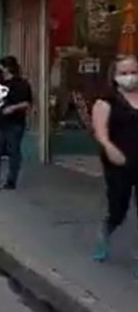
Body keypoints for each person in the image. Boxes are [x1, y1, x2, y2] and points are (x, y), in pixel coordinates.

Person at [90, 55, 138, 276]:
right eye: (124, 73)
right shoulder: (105, 102)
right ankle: (106, 231)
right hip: (118, 161)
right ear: (115, 76)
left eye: (134, 72)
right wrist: (110, 148)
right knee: (119, 208)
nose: (130, 77)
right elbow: (101, 133)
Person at [0, 56, 32, 190]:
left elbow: (27, 103)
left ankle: (11, 181)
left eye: (1, 66)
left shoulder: (21, 84)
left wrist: (13, 108)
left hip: (14, 122)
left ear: (7, 68)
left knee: (13, 151)